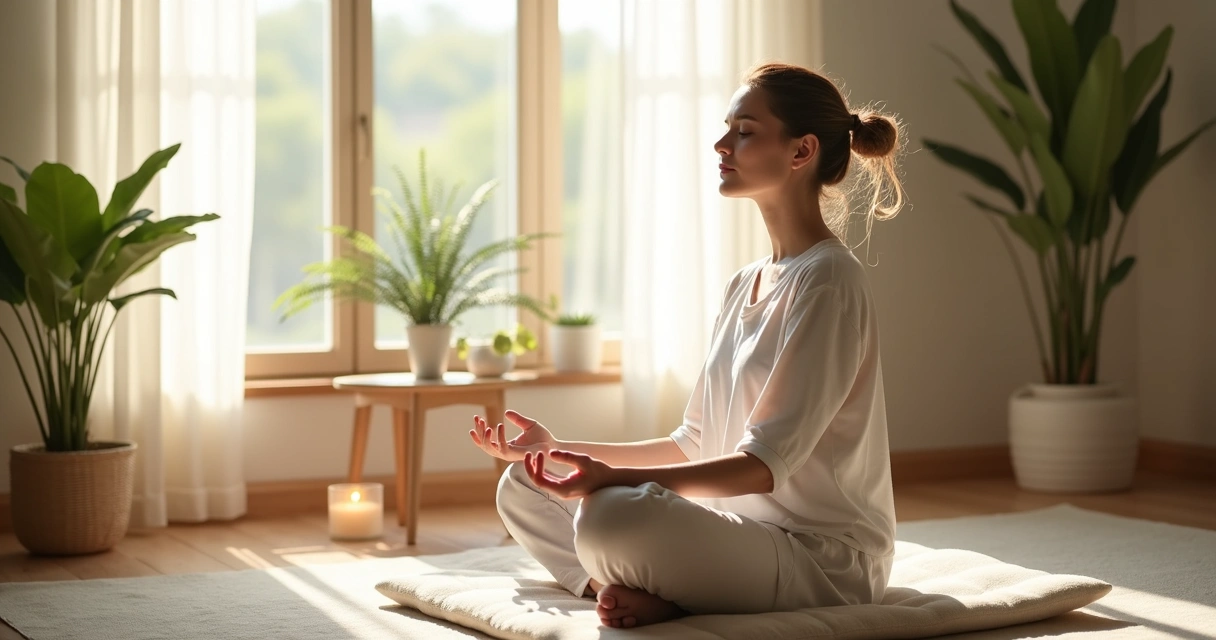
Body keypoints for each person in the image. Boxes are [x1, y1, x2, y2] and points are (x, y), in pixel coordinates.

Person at [469, 61, 906, 629]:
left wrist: (612, 481)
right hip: (740, 538)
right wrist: (560, 447)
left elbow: (761, 468)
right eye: (728, 128)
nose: (721, 144)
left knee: (613, 516)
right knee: (525, 483)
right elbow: (692, 442)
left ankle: (651, 585)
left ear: (801, 152)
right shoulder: (744, 282)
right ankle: (622, 585)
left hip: (819, 560)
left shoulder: (829, 281)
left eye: (744, 131)